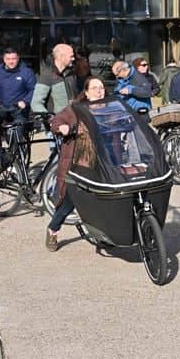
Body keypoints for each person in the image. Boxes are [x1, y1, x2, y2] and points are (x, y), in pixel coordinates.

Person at [44, 77, 107, 252]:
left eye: (101, 88)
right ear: (86, 92)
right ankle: (53, 229)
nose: (99, 91)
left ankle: (102, 234)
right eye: (94, 88)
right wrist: (62, 128)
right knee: (70, 201)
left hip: (102, 163)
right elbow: (56, 121)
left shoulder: (110, 107)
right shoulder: (76, 109)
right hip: (78, 163)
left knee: (102, 199)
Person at [31, 43, 77, 115]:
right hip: (57, 123)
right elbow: (36, 103)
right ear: (61, 57)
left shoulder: (71, 74)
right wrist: (50, 119)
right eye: (71, 56)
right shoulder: (47, 75)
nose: (73, 59)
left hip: (72, 120)